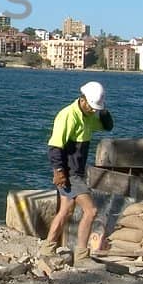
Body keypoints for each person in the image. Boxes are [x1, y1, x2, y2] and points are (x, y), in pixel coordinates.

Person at [44, 81, 114, 263]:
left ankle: (47, 248)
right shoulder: (67, 115)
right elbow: (55, 146)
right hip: (69, 172)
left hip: (77, 171)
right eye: (91, 107)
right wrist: (58, 170)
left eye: (95, 108)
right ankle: (82, 255)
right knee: (91, 211)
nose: (93, 111)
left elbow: (106, 127)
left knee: (65, 211)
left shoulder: (90, 115)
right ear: (82, 100)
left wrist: (104, 112)